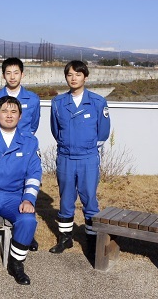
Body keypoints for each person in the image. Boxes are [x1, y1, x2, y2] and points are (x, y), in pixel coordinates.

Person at [0, 96, 42, 285]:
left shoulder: (30, 141)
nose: (9, 115)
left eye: (14, 111)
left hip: (15, 196)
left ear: (20, 116)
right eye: (4, 111)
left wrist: (28, 199)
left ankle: (16, 263)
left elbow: (34, 173)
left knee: (28, 220)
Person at [49, 60, 111, 257]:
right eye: (69, 74)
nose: (73, 78)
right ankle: (65, 239)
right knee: (66, 199)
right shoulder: (58, 102)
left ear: (85, 76)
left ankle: (92, 240)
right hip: (66, 157)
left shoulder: (97, 102)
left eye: (78, 74)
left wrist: (88, 148)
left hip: (88, 159)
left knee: (89, 199)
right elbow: (55, 130)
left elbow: (103, 131)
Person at [0, 57, 41, 252]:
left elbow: (34, 125)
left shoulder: (32, 98)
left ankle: (25, 235)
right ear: (3, 75)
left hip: (23, 148)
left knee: (25, 187)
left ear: (22, 74)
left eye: (16, 72)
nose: (12, 76)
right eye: (8, 73)